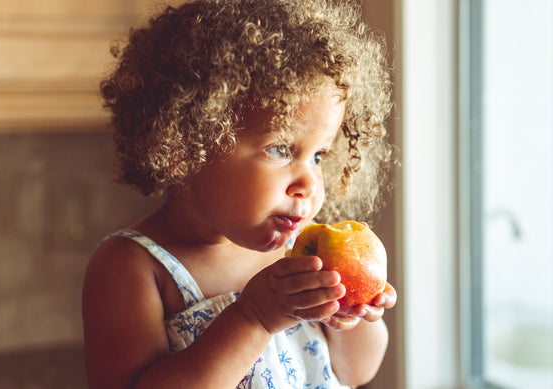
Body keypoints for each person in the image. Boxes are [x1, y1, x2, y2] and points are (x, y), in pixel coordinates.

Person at [82, 0, 397, 388]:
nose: (310, 184)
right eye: (280, 150)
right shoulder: (132, 267)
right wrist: (253, 319)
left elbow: (355, 372)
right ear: (187, 146)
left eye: (318, 155)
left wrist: (348, 315)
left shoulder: (302, 248)